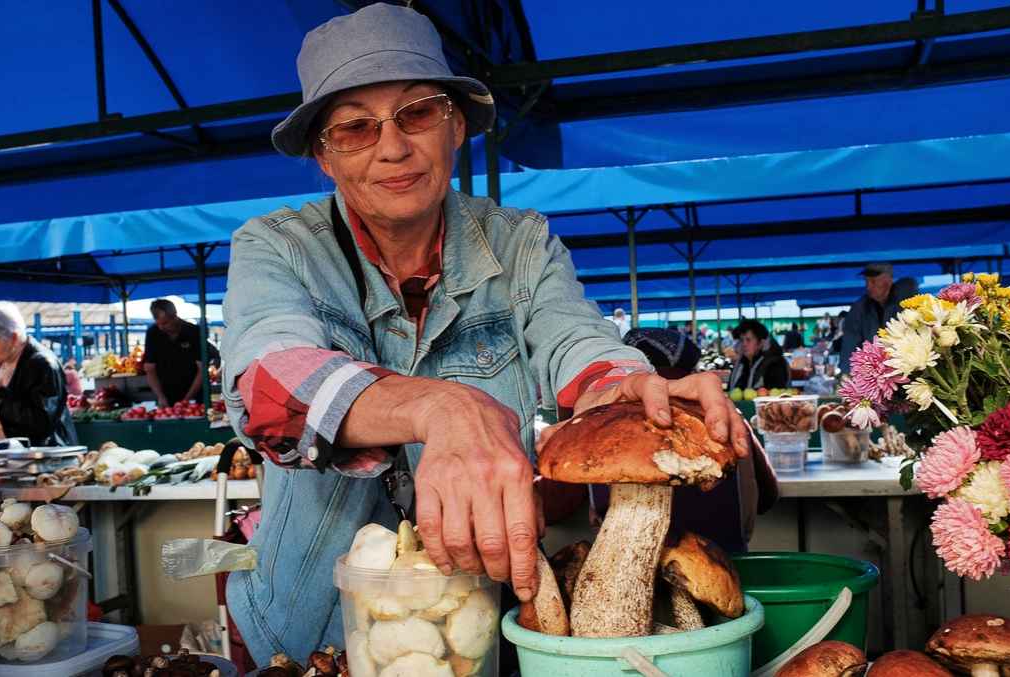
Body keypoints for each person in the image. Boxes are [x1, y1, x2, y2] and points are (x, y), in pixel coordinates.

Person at [219, 4, 749, 664]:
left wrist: (624, 387)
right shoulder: (276, 246)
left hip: (482, 625)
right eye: (355, 127)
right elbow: (266, 382)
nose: (392, 147)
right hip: (311, 628)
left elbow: (573, 340)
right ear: (324, 156)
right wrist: (439, 405)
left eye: (417, 113)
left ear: (457, 125)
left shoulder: (521, 242)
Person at [588, 328, 779, 553]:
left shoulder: (600, 425)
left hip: (625, 563)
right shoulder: (721, 416)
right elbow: (768, 497)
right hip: (726, 561)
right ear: (690, 369)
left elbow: (558, 507)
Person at [0, 302, 77, 447]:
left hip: (39, 456)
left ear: (13, 338)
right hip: (2, 454)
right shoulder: (0, 360)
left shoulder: (42, 364)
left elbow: (40, 423)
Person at [838, 263, 918, 373]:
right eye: (866, 282)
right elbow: (850, 343)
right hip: (876, 372)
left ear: (888, 281)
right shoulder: (859, 308)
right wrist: (847, 373)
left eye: (873, 281)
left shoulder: (906, 301)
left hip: (908, 367)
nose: (868, 287)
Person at [142, 299, 219, 407]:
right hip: (166, 393)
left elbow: (202, 369)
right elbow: (150, 369)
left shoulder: (194, 331)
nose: (161, 327)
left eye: (165, 323)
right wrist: (160, 396)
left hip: (195, 393)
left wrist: (187, 399)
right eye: (158, 323)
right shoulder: (153, 333)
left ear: (175, 316)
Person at [727, 319, 790, 392]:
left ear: (761, 343)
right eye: (741, 340)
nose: (744, 344)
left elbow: (775, 393)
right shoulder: (741, 364)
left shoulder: (775, 364)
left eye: (748, 340)